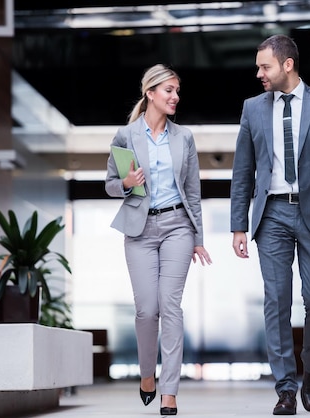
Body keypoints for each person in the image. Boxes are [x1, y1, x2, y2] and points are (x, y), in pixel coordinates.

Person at [230, 35, 310, 415]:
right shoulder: (252, 109)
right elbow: (243, 171)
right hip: (271, 215)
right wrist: (238, 224)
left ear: (287, 65)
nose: (258, 73)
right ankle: (285, 387)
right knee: (276, 301)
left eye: (264, 66)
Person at [105, 64, 212, 416]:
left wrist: (197, 236)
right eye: (169, 90)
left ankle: (169, 391)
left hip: (178, 226)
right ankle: (147, 375)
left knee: (171, 306)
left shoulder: (184, 138)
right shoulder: (125, 136)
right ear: (150, 93)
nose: (175, 97)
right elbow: (109, 184)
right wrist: (125, 182)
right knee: (146, 310)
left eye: (177, 91)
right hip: (139, 230)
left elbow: (193, 192)